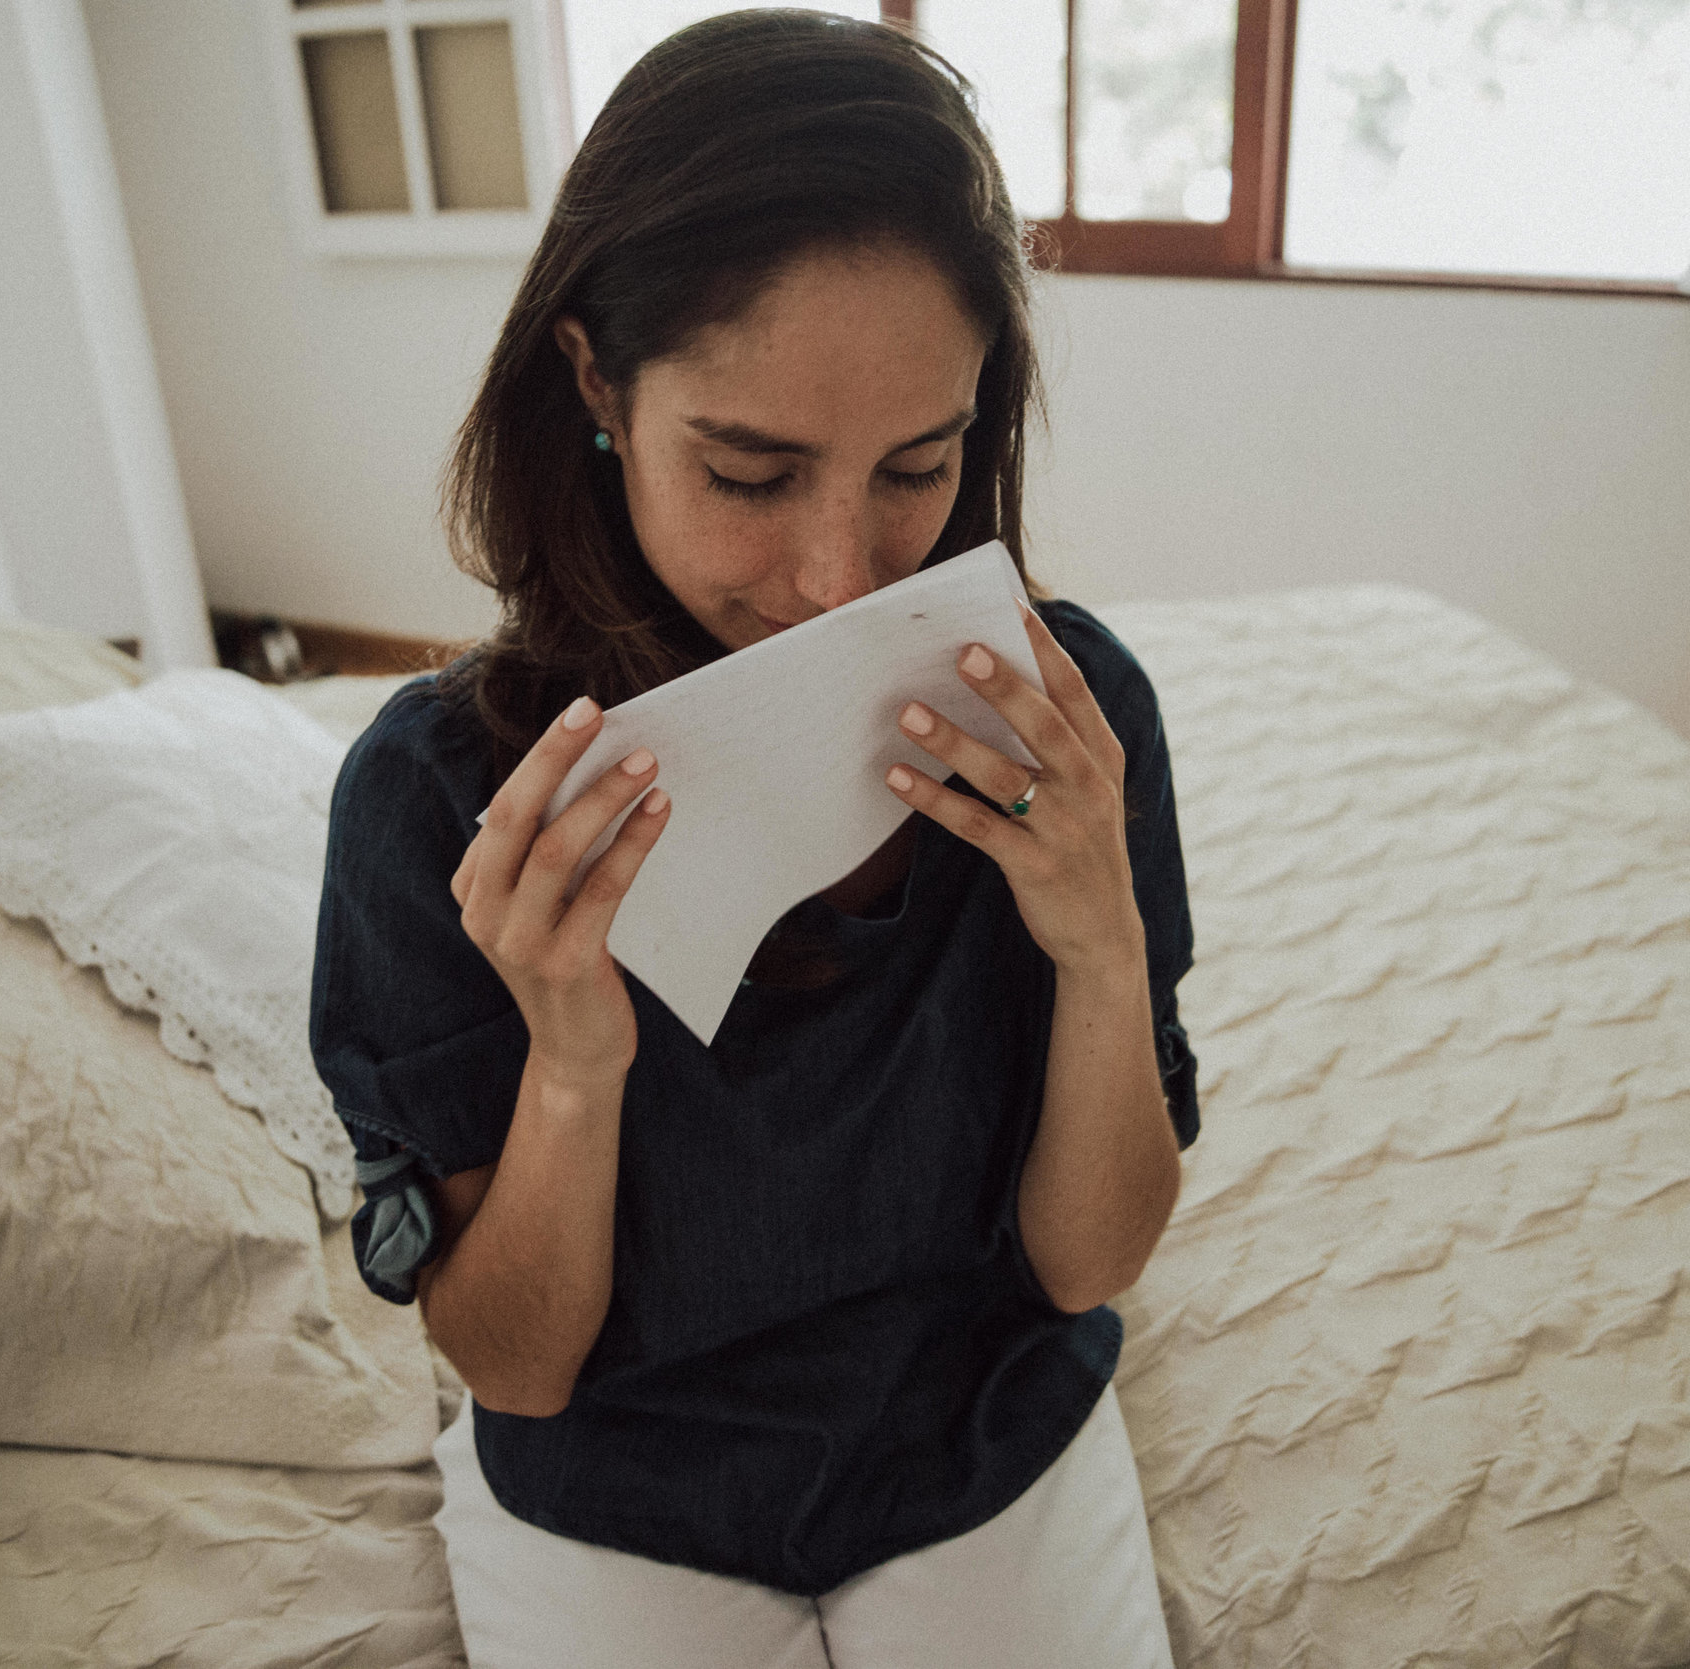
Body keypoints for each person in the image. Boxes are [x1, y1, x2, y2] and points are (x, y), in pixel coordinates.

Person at [309, 11, 1197, 1665]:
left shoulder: (1073, 723)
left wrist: (1101, 946)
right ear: (594, 379)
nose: (837, 578)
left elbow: (1089, 1261)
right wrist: (574, 1060)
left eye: (918, 467)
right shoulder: (433, 802)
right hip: (614, 1481)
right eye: (749, 471)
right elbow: (514, 1365)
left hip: (982, 1435)